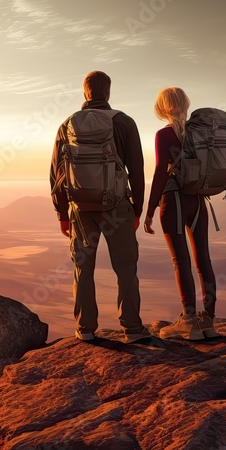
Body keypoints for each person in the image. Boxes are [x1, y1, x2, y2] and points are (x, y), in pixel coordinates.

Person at [50, 71, 150, 343]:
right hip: (117, 207)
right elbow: (137, 170)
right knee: (126, 268)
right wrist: (137, 210)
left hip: (80, 209)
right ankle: (132, 328)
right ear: (108, 93)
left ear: (85, 93)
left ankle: (85, 329)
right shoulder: (124, 122)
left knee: (83, 269)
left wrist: (62, 213)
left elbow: (55, 173)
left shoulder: (67, 124)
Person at [144, 87, 219, 340]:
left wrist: (150, 209)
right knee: (203, 260)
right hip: (198, 200)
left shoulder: (164, 135)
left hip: (174, 201)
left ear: (163, 107)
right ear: (185, 104)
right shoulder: (201, 132)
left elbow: (159, 172)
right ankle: (207, 320)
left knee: (181, 261)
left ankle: (188, 320)